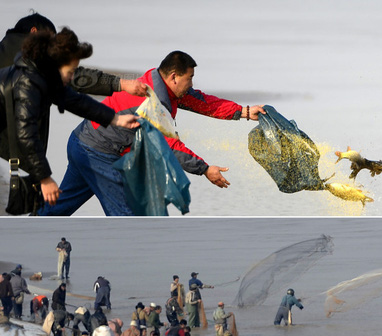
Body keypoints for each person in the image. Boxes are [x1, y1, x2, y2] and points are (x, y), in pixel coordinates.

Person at [39, 50, 266, 216]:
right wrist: (205, 169)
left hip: (81, 141)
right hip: (98, 153)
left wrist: (244, 111)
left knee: (60, 207)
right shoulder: (153, 103)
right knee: (127, 216)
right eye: (190, 78)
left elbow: (203, 102)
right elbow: (170, 147)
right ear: (174, 76)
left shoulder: (157, 81)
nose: (191, 83)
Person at [0, 27, 141, 208]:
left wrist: (116, 119)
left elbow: (78, 102)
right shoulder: (29, 83)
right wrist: (45, 178)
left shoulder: (45, 76)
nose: (73, 76)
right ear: (56, 64)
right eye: (71, 71)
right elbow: (27, 134)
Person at [0, 12, 147, 94]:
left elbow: (73, 101)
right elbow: (76, 77)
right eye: (50, 39)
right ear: (34, 32)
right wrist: (120, 83)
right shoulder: (35, 59)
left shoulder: (4, 49)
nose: (52, 47)